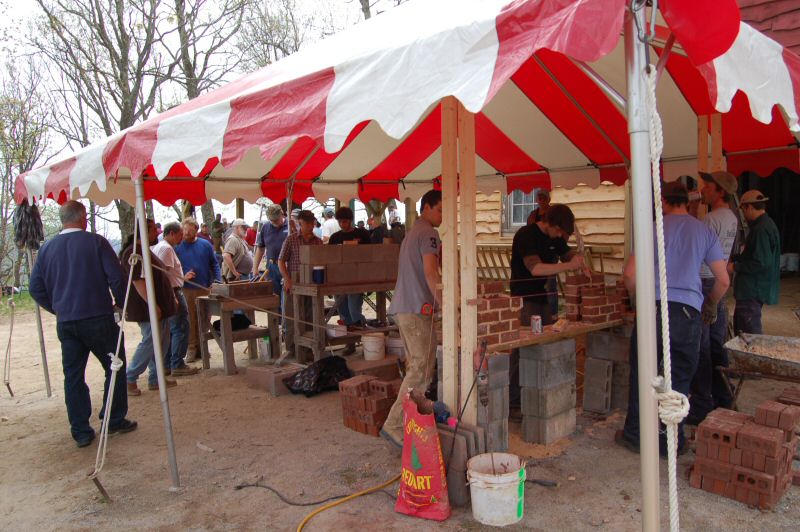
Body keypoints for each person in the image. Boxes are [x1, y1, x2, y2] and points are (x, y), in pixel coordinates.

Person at [619, 182, 729, 456]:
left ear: (663, 202)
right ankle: (672, 441)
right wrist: (710, 304)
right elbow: (723, 280)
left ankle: (635, 435)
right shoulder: (703, 230)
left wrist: (636, 302)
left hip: (652, 309)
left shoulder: (651, 229)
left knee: (642, 374)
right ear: (687, 202)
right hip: (687, 312)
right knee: (678, 378)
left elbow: (630, 275)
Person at [29, 200, 136, 448]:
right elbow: (117, 279)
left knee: (73, 375)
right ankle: (114, 418)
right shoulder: (95, 242)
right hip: (97, 317)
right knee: (115, 366)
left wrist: (57, 308)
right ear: (82, 217)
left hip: (67, 322)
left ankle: (81, 430)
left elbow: (36, 288)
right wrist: (121, 304)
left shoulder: (47, 249)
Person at [379, 190, 442, 449]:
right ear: (426, 207)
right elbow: (430, 271)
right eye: (439, 210)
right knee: (420, 369)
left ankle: (411, 422)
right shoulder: (428, 233)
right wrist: (444, 302)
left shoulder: (411, 233)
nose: (442, 216)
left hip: (405, 306)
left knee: (421, 367)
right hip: (417, 308)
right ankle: (394, 425)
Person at [508, 204, 585, 406]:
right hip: (524, 299)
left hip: (542, 297)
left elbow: (567, 254)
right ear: (551, 224)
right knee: (523, 348)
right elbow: (536, 268)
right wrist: (568, 266)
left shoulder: (556, 237)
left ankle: (536, 393)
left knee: (544, 344)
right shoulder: (526, 235)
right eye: (559, 231)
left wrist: (578, 260)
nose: (560, 236)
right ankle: (514, 399)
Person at [688, 171, 739, 424]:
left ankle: (701, 405)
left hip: (705, 281)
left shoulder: (709, 220)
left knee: (701, 346)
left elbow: (694, 249)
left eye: (708, 187)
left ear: (720, 191)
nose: (703, 190)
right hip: (720, 284)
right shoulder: (731, 217)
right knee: (716, 344)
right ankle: (723, 397)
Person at [122, 219, 179, 396]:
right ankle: (129, 377)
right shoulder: (134, 252)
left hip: (158, 306)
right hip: (147, 308)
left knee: (161, 341)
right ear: (143, 232)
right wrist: (152, 304)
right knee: (150, 341)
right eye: (153, 229)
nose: (157, 232)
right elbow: (139, 281)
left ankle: (156, 377)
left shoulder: (143, 250)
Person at [729, 190, 781, 335]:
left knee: (750, 334)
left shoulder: (761, 230)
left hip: (752, 290)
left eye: (744, 210)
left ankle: (755, 357)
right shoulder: (766, 225)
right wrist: (737, 257)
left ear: (749, 207)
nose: (744, 215)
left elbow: (760, 262)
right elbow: (755, 255)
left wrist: (735, 267)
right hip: (754, 289)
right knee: (744, 330)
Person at [151, 222, 198, 377]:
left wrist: (183, 278)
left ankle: (168, 363)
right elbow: (165, 276)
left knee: (173, 330)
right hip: (173, 291)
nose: (181, 238)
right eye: (179, 235)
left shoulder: (160, 247)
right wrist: (172, 296)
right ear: (171, 233)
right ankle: (177, 363)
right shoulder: (166, 249)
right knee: (181, 328)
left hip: (172, 290)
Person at [278, 210, 323, 358]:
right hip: (294, 283)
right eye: (307, 223)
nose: (310, 226)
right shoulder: (291, 239)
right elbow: (281, 261)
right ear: (300, 223)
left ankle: (309, 348)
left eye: (312, 223)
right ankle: (292, 347)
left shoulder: (318, 241)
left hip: (312, 283)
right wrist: (287, 279)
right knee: (292, 316)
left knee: (311, 316)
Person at [175, 218, 221, 363]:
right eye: (184, 230)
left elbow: (215, 264)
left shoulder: (205, 244)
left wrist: (217, 281)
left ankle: (202, 347)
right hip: (187, 289)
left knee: (205, 318)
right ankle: (191, 348)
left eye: (189, 230)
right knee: (191, 320)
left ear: (196, 229)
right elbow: (172, 269)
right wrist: (182, 277)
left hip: (205, 288)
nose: (186, 233)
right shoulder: (177, 247)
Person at [329, 207, 372, 331]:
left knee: (354, 310)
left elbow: (370, 255)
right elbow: (330, 259)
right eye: (340, 221)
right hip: (339, 278)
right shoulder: (334, 237)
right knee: (342, 311)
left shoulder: (362, 234)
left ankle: (363, 335)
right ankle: (350, 341)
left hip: (356, 278)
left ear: (351, 220)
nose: (342, 224)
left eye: (345, 221)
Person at [252, 205, 289, 323]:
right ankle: (276, 325)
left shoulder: (290, 226)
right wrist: (255, 268)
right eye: (272, 220)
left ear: (282, 214)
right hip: (271, 267)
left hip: (287, 266)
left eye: (276, 220)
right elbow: (260, 248)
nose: (274, 222)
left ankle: (286, 327)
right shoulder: (265, 227)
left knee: (286, 299)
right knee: (274, 297)